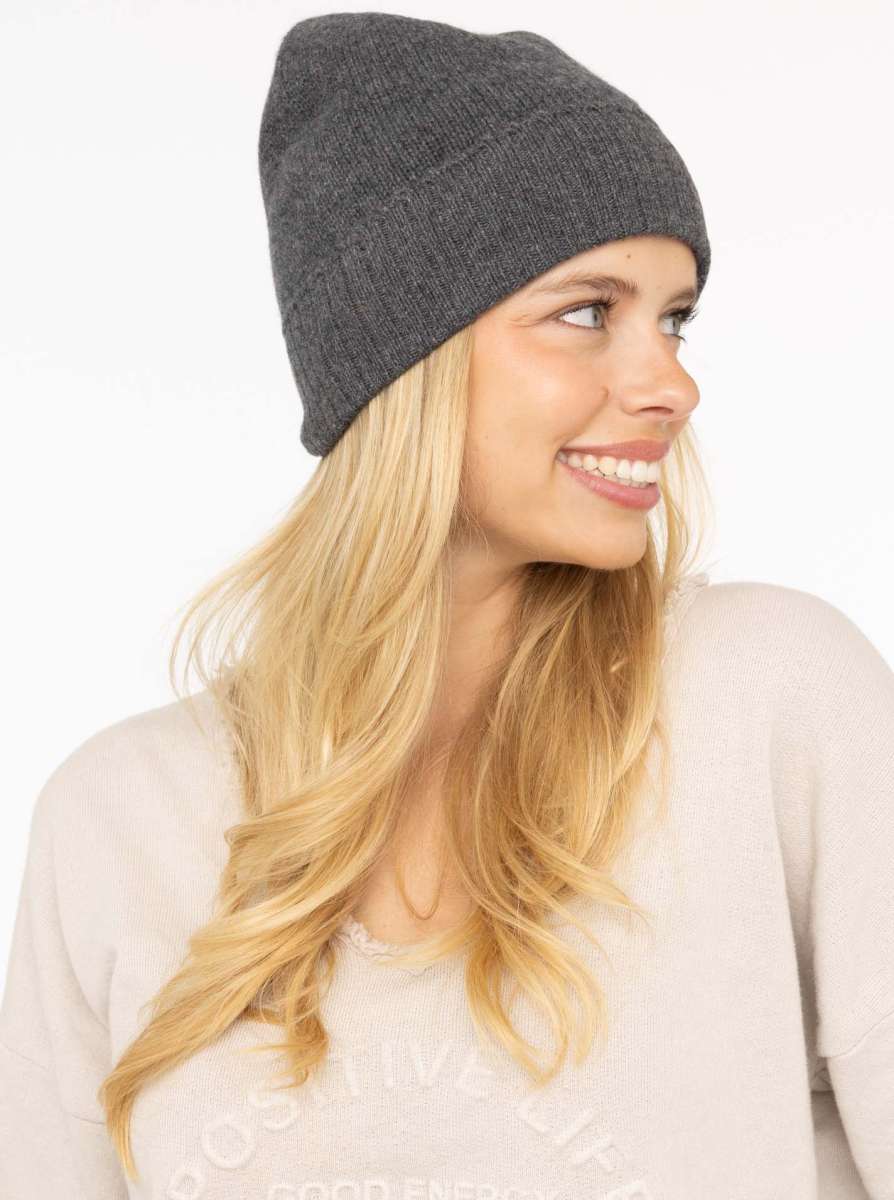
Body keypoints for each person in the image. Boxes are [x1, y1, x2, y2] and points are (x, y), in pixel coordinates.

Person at [2, 12, 892, 1199]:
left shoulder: (773, 706)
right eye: (591, 311)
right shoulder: (119, 823)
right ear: (402, 359)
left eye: (674, 318)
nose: (673, 383)